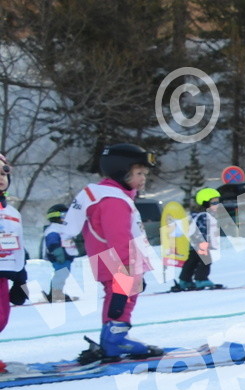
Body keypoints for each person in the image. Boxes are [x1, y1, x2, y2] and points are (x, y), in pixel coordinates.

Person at [60, 143, 167, 361]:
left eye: (145, 174)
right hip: (119, 262)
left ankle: (112, 337)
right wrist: (128, 269)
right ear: (121, 171)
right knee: (121, 300)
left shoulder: (109, 195)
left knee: (119, 299)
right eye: (139, 173)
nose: (143, 179)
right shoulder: (112, 201)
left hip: (114, 260)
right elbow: (119, 237)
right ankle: (115, 340)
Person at [0, 153, 25, 374]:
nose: (1, 178)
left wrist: (20, 281)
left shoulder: (12, 213)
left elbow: (18, 247)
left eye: (3, 173)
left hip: (4, 273)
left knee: (1, 317)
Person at [174, 188, 224, 290]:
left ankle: (185, 280)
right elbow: (204, 229)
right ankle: (201, 279)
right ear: (205, 203)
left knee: (192, 261)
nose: (217, 205)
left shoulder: (196, 214)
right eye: (214, 202)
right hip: (201, 242)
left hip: (194, 242)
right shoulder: (204, 215)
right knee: (206, 260)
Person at [42, 204, 79, 303]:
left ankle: (56, 292)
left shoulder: (64, 227)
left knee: (63, 274)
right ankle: (55, 293)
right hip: (59, 257)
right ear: (55, 217)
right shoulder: (53, 229)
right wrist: (58, 253)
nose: (66, 218)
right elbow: (52, 242)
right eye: (64, 215)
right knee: (61, 274)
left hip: (66, 256)